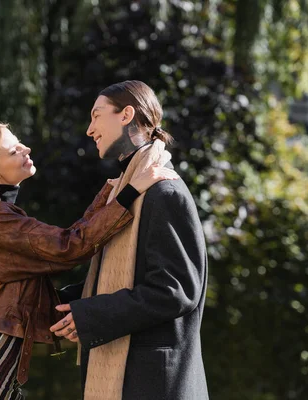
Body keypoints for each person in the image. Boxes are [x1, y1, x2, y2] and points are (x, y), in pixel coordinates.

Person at [0, 122, 178, 400]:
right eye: (13, 150)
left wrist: (111, 193)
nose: (26, 148)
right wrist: (130, 191)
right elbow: (70, 247)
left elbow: (63, 251)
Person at [51, 81, 209, 400]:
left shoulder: (164, 192)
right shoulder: (129, 191)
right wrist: (59, 304)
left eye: (96, 116)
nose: (89, 129)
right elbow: (123, 277)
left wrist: (91, 314)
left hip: (155, 385)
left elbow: (175, 291)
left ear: (126, 115)